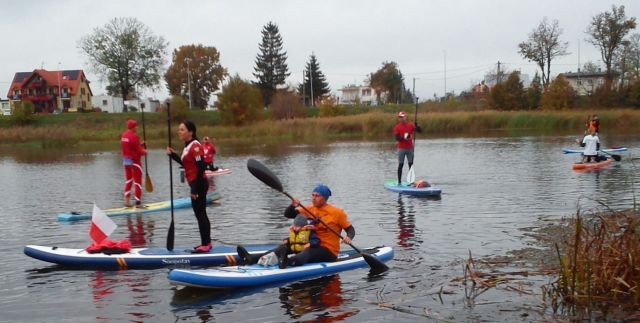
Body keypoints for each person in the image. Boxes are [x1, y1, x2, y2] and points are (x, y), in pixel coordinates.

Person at [240, 184, 354, 268]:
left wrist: (348, 237)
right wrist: (292, 205)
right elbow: (288, 214)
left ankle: (288, 262)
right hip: (308, 243)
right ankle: (252, 258)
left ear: (324, 198)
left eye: (317, 196)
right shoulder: (308, 209)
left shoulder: (337, 213)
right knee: (282, 248)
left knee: (309, 252)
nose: (313, 197)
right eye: (313, 195)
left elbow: (350, 229)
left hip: (328, 250)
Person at [166, 121, 212, 253]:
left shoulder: (195, 146)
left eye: (182, 129)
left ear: (190, 132)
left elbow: (201, 167)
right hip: (195, 184)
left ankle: (206, 244)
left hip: (199, 184)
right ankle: (206, 243)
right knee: (199, 214)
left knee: (201, 213)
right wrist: (173, 155)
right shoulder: (188, 147)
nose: (179, 132)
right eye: (179, 129)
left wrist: (194, 189)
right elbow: (186, 165)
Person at [238, 213, 320, 268]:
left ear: (303, 226)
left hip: (302, 253)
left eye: (297, 226)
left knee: (300, 255)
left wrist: (311, 244)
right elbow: (293, 240)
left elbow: (316, 240)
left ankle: (285, 262)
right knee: (280, 248)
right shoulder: (294, 231)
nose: (295, 228)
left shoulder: (309, 232)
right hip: (293, 249)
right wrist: (287, 240)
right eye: (294, 225)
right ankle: (252, 258)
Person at [121, 119, 147, 207]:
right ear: (133, 127)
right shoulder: (135, 137)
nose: (137, 127)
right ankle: (138, 203)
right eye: (136, 126)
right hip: (135, 162)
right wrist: (145, 151)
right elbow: (139, 151)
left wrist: (141, 145)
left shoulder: (124, 136)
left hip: (126, 162)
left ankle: (127, 201)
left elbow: (131, 147)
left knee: (129, 180)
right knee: (137, 182)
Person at [394, 111, 421, 185]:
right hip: (401, 148)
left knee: (410, 165)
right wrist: (405, 137)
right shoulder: (397, 127)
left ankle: (411, 181)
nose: (401, 119)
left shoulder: (411, 125)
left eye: (402, 117)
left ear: (406, 117)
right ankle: (399, 182)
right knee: (401, 164)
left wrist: (417, 126)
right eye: (400, 117)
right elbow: (397, 138)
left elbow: (420, 131)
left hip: (410, 148)